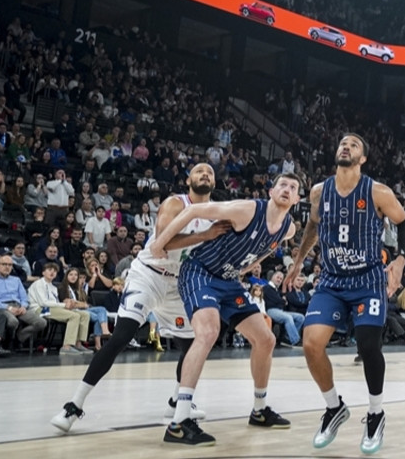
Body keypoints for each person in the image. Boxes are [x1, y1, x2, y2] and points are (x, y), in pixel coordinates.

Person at [51, 163, 227, 433]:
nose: (205, 174)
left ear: (215, 182)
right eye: (199, 170)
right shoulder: (174, 203)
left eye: (210, 172)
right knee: (121, 337)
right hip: (149, 275)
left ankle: (177, 401)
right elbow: (163, 244)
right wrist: (204, 236)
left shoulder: (217, 214)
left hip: (180, 282)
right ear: (188, 179)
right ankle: (74, 405)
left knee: (193, 346)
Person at [153, 173, 302, 446]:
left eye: (293, 187)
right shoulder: (246, 210)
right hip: (200, 272)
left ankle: (259, 410)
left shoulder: (288, 228)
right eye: (282, 184)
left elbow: (268, 248)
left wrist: (246, 268)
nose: (287, 189)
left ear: (296, 199)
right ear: (271, 191)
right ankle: (179, 421)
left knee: (266, 339)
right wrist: (159, 241)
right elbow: (195, 209)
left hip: (228, 280)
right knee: (208, 333)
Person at [282, 134, 405, 453]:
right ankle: (334, 407)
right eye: (342, 143)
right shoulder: (318, 192)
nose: (345, 146)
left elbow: (404, 224)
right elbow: (312, 226)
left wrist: (399, 261)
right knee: (310, 344)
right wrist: (298, 261)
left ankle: (376, 414)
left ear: (362, 158)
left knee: (368, 345)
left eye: (353, 145)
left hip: (368, 282)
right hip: (332, 280)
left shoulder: (378, 192)